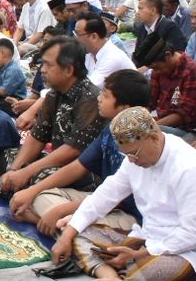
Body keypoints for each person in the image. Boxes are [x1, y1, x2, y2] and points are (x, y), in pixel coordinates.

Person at [48, 108, 196, 281]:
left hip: (190, 254)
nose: (132, 160)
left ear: (155, 138)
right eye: (127, 155)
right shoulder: (134, 160)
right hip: (146, 240)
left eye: (135, 153)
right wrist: (68, 234)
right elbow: (105, 195)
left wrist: (140, 255)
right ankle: (114, 278)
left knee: (151, 272)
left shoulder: (190, 168)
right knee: (74, 232)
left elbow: (192, 234)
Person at [11, 70, 151, 231]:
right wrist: (31, 191)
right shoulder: (110, 130)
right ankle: (58, 226)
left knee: (82, 229)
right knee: (40, 196)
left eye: (105, 96)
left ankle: (47, 223)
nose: (98, 98)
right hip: (102, 200)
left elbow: (118, 198)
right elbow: (78, 166)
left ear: (124, 108)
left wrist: (61, 210)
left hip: (129, 214)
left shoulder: (139, 142)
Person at [0, 37, 105, 195]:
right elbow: (37, 137)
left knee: (37, 178)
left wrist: (26, 172)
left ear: (69, 70)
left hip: (83, 172)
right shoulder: (53, 95)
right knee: (7, 156)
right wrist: (15, 169)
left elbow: (73, 150)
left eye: (48, 64)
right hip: (57, 163)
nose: (42, 69)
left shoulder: (90, 98)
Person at [135, 34, 196, 137]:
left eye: (157, 67)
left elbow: (182, 115)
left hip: (191, 130)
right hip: (165, 123)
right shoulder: (158, 71)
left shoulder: (193, 71)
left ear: (167, 55)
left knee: (149, 134)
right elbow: (150, 102)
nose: (156, 72)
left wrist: (150, 127)